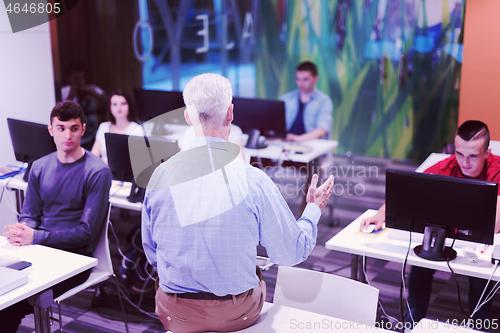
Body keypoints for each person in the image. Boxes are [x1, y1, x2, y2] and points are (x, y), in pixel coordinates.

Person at [142, 73, 334, 333]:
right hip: (234, 314)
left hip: (174, 314)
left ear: (188, 117)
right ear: (230, 113)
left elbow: (152, 253)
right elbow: (290, 253)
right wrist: (313, 209)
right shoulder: (253, 180)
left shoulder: (159, 175)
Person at [360, 120, 500, 324]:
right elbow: (409, 190)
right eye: (459, 153)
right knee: (421, 259)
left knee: (481, 274)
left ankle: (480, 323)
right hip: (451, 234)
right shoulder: (448, 165)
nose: (464, 162)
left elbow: (494, 225)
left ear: (487, 153)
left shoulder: (496, 169)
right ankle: (414, 317)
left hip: (483, 244)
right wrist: (382, 213)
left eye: (473, 156)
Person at [1, 101, 112, 332]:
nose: (67, 135)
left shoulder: (97, 171)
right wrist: (24, 231)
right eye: (61, 128)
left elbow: (86, 233)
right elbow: (30, 214)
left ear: (82, 129)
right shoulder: (39, 166)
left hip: (75, 260)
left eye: (73, 128)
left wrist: (36, 237)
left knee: (11, 306)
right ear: (51, 130)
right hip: (39, 251)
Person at [280, 61, 333, 142]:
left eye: (305, 79)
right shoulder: (286, 98)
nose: (300, 84)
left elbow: (322, 130)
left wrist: (298, 139)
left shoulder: (324, 101)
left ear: (315, 78)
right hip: (286, 142)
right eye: (298, 79)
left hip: (310, 144)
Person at [91, 89, 139, 164]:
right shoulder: (103, 127)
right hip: (103, 171)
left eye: (123, 104)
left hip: (126, 173)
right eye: (115, 104)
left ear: (129, 106)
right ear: (110, 107)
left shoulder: (136, 129)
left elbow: (138, 160)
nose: (119, 108)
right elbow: (93, 157)